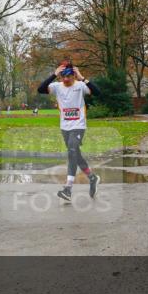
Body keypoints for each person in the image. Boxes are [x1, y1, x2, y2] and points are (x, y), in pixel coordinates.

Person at [37, 61, 101, 200]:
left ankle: (68, 188)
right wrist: (54, 74)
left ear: (73, 76)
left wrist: (82, 77)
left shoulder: (80, 86)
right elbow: (40, 89)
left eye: (69, 77)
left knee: (72, 150)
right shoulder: (57, 86)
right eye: (63, 77)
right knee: (75, 155)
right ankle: (92, 178)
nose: (66, 80)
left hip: (78, 125)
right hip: (64, 127)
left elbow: (98, 92)